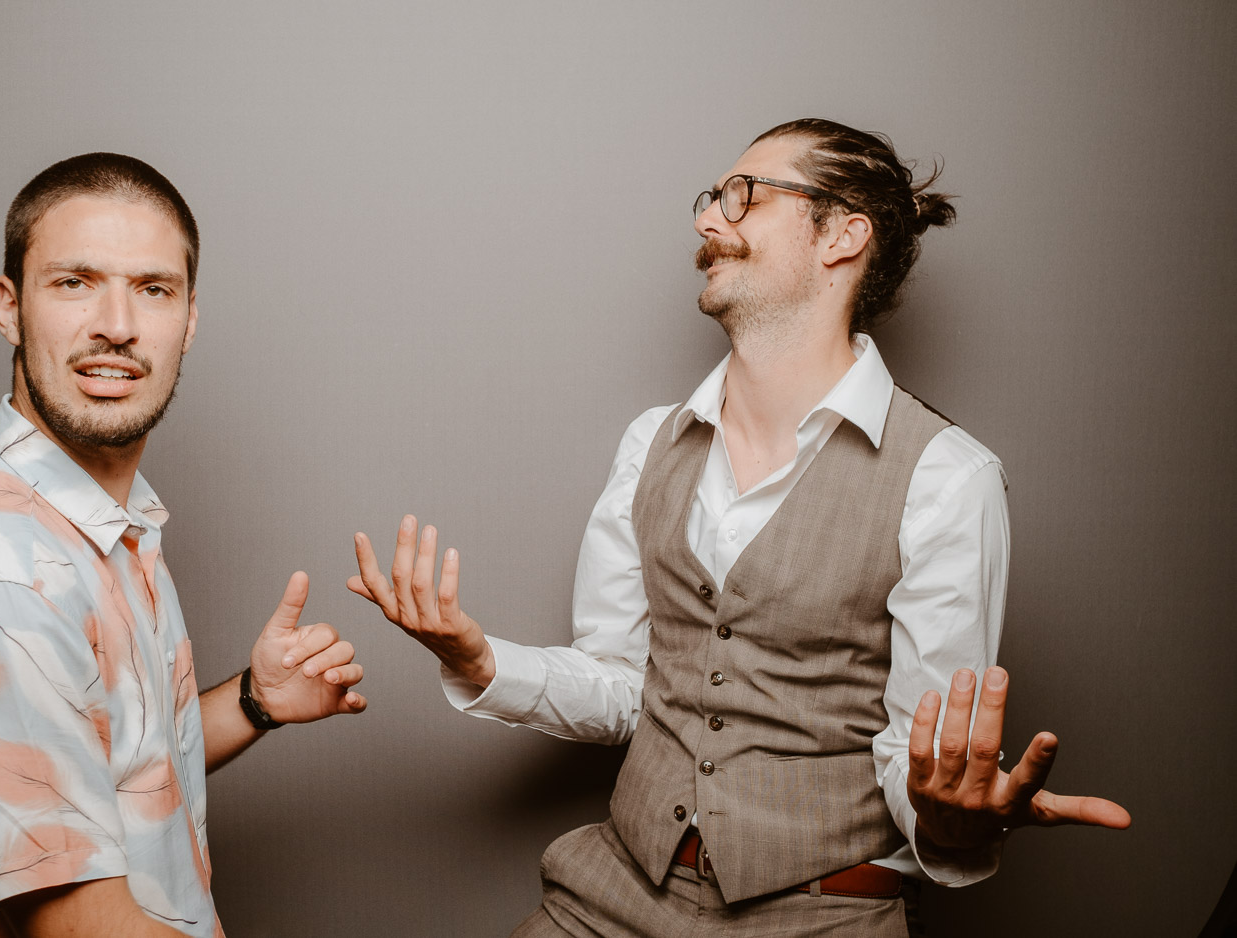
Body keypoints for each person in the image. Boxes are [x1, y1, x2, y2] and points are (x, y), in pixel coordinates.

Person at [349, 118, 1130, 936]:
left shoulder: (945, 479)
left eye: (743, 196)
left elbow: (916, 763)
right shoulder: (652, 442)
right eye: (714, 198)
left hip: (825, 913)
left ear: (842, 235)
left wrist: (955, 821)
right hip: (615, 892)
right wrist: (479, 661)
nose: (708, 220)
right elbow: (625, 687)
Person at [0, 153, 366, 938]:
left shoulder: (100, 522)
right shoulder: (0, 572)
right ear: (9, 306)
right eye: (74, 282)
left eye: (152, 290)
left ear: (189, 320)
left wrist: (253, 704)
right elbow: (84, 928)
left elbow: (100, 773)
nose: (118, 325)